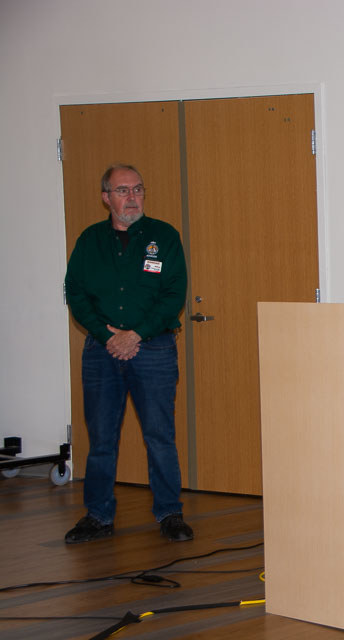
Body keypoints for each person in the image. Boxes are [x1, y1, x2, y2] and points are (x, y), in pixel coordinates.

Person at [63, 164, 193, 544]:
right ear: (106, 197)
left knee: (159, 435)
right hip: (101, 351)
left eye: (138, 189)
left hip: (153, 348)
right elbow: (75, 293)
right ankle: (98, 515)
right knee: (101, 438)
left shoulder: (164, 237)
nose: (132, 197)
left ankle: (170, 513)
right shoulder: (90, 240)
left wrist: (136, 334)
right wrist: (107, 335)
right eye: (123, 191)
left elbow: (174, 293)